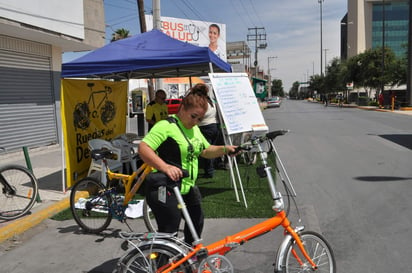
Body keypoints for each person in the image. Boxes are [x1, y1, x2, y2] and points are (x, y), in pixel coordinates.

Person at [138, 83, 238, 244]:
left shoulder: (194, 129)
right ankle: (162, 265)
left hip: (186, 187)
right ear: (182, 108)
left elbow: (205, 150)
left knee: (196, 225)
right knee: (170, 230)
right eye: (193, 116)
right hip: (166, 188)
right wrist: (166, 167)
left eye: (200, 119)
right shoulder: (166, 126)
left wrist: (226, 149)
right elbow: (143, 148)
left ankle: (187, 261)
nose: (196, 122)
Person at [198, 90, 220, 178]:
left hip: (205, 127)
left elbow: (201, 116)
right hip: (214, 126)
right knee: (212, 148)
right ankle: (211, 168)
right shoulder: (211, 102)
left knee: (206, 150)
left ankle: (209, 171)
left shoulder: (204, 104)